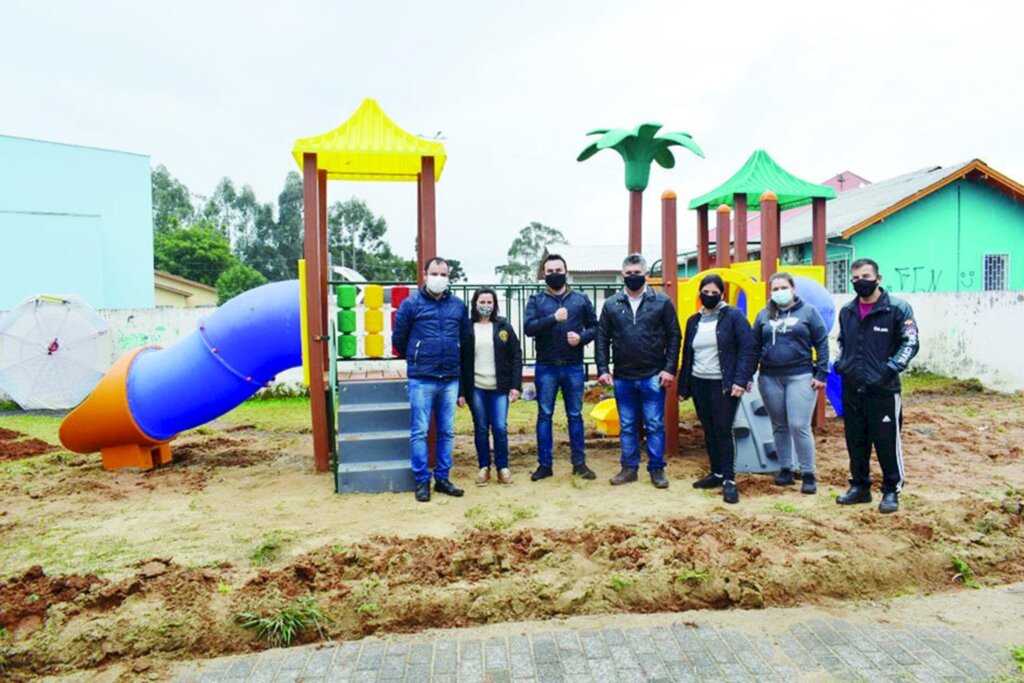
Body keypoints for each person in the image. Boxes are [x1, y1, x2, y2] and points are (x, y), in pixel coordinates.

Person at [834, 258, 919, 514]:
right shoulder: (847, 311)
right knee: (856, 441)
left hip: (883, 389)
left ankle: (891, 490)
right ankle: (860, 486)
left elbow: (910, 343)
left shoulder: (897, 309)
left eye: (866, 276)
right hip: (852, 388)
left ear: (878, 278)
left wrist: (889, 370)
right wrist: (842, 365)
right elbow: (843, 342)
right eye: (856, 278)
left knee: (886, 441)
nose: (861, 281)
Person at [596, 253, 681, 489]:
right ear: (623, 275)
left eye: (638, 273)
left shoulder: (662, 302)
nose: (633, 277)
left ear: (646, 275)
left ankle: (657, 469)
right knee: (627, 426)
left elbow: (674, 336)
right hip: (623, 377)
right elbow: (601, 337)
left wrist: (669, 369)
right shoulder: (612, 304)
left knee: (654, 424)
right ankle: (629, 468)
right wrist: (603, 368)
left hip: (653, 375)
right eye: (629, 274)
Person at [392, 257, 471, 503]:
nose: (439, 278)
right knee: (419, 431)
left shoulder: (458, 306)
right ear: (425, 274)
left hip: (449, 378)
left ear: (449, 277)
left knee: (447, 432)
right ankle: (422, 481)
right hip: (422, 378)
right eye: (434, 273)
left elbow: (465, 337)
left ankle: (443, 478)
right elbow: (399, 339)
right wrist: (418, 356)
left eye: (443, 274)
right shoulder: (411, 304)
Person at [677, 273, 756, 504]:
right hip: (700, 382)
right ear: (700, 293)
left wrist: (741, 380)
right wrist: (684, 386)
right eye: (706, 292)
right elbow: (688, 354)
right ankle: (716, 473)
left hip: (724, 383)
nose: (709, 296)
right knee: (708, 428)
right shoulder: (694, 320)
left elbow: (747, 349)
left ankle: (730, 480)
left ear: (721, 294)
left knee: (723, 428)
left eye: (714, 293)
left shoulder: (733, 316)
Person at [752, 272, 830, 495]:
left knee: (799, 425)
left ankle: (808, 473)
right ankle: (785, 468)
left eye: (783, 287)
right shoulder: (763, 315)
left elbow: (822, 342)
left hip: (800, 375)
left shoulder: (809, 312)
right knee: (779, 425)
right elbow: (754, 346)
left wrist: (821, 373)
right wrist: (748, 375)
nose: (779, 292)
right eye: (774, 289)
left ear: (793, 289)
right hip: (769, 377)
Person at [524, 254, 599, 481]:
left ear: (566, 271)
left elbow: (595, 327)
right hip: (546, 366)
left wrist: (583, 337)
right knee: (544, 415)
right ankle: (545, 465)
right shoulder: (536, 300)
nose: (554, 274)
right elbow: (529, 328)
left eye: (558, 270)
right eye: (550, 271)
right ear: (543, 274)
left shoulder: (580, 299)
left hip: (573, 366)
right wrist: (552, 318)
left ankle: (579, 463)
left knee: (575, 415)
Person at [459, 287, 523, 487]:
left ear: (494, 304)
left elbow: (516, 355)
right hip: (476, 387)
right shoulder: (467, 328)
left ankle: (502, 468)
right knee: (480, 428)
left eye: (489, 302)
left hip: (500, 387)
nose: (486, 306)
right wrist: (461, 392)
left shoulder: (503, 326)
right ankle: (484, 467)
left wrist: (515, 385)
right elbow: (460, 361)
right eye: (482, 302)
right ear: (475, 304)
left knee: (500, 428)